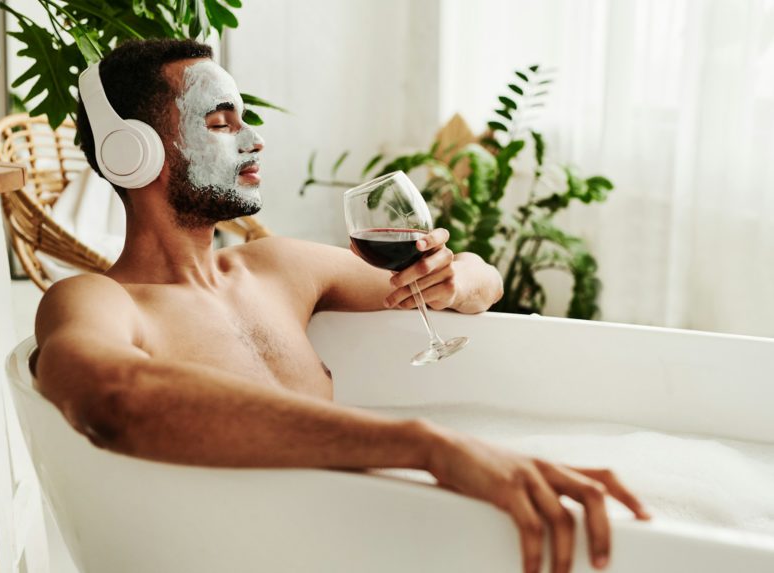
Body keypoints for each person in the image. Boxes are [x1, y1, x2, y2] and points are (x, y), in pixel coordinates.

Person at [34, 38, 649, 573]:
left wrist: (456, 280)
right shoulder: (92, 299)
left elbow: (480, 279)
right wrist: (429, 445)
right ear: (131, 153)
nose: (254, 138)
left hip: (359, 543)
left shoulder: (277, 267)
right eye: (221, 122)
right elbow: (111, 402)